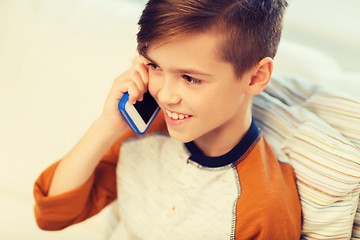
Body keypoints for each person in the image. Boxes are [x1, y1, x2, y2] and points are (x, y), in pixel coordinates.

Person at [34, 0, 302, 239]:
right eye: (155, 66)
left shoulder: (266, 205)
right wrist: (106, 126)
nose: (164, 95)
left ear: (255, 77)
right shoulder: (141, 133)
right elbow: (52, 215)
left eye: (190, 78)